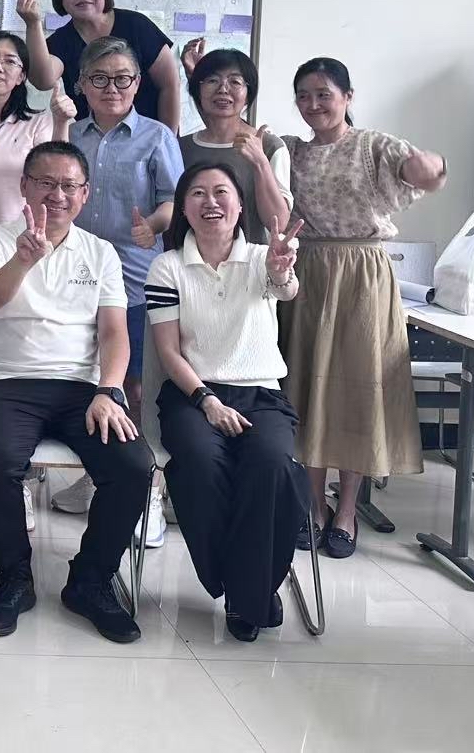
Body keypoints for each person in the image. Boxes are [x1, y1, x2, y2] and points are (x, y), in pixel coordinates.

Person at [0, 141, 155, 642]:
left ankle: (91, 580)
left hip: (82, 387)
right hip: (8, 382)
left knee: (134, 466)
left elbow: (115, 333)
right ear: (24, 186)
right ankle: (14, 578)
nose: (56, 194)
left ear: (85, 193)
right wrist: (23, 261)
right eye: (45, 183)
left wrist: (108, 390)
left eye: (68, 185)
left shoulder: (101, 252)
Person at [284, 58, 447, 558]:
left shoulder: (374, 145)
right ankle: (311, 504)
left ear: (348, 96)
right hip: (307, 270)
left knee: (358, 389)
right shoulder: (290, 152)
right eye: (304, 96)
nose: (314, 105)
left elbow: (425, 171)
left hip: (363, 275)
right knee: (305, 387)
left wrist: (433, 168)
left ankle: (348, 507)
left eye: (324, 94)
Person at [148, 163, 308, 642]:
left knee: (274, 464)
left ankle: (246, 591)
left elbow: (286, 287)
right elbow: (169, 352)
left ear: (240, 206)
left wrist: (282, 269)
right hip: (191, 393)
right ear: (183, 207)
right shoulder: (168, 265)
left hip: (261, 393)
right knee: (199, 461)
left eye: (221, 192)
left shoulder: (264, 257)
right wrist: (207, 400)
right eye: (197, 193)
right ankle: (247, 587)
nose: (210, 202)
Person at [51, 36, 181, 539]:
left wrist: (153, 223)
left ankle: (144, 488)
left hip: (132, 275)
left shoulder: (155, 136)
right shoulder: (72, 134)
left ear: (137, 84)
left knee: (133, 384)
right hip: (72, 279)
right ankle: (95, 475)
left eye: (123, 79)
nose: (112, 88)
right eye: (99, 79)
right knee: (86, 378)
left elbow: (173, 200)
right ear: (82, 85)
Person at [0, 29, 76, 293]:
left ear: (22, 76)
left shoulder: (37, 124)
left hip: (23, 245)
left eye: (10, 61)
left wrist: (61, 123)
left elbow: (59, 175)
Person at [27, 0, 182, 132]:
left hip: (146, 141)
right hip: (93, 143)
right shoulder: (62, 40)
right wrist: (33, 24)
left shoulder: (137, 25)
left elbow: (170, 84)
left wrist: (168, 139)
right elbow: (43, 80)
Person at [180, 48, 292, 244]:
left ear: (249, 94)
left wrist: (260, 163)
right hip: (189, 264)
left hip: (250, 266)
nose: (223, 89)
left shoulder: (269, 146)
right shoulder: (181, 147)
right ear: (197, 90)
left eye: (235, 82)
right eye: (212, 81)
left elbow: (278, 223)